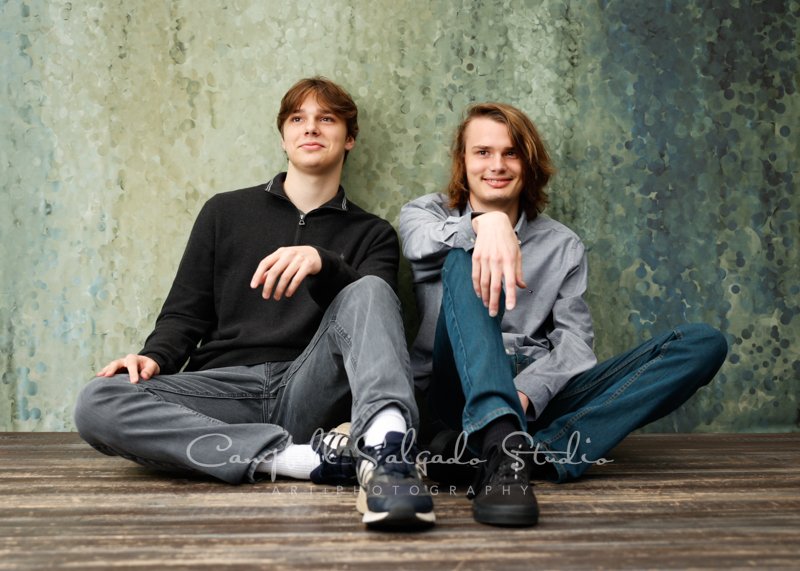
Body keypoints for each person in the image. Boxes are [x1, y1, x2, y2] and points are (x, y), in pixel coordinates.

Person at [74, 77, 435, 531]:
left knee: (370, 290)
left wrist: (324, 263)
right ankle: (303, 460)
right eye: (298, 119)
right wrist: (151, 358)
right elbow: (185, 314)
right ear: (283, 135)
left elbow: (375, 321)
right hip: (224, 391)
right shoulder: (224, 213)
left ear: (350, 139)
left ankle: (387, 456)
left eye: (327, 119)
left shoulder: (373, 232)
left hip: (312, 389)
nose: (311, 129)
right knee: (97, 400)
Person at [399, 102, 727, 528]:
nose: (496, 165)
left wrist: (527, 393)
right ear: (463, 161)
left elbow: (574, 346)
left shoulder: (563, 245)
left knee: (702, 343)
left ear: (528, 162)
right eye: (482, 152)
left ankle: (520, 453)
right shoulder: (425, 213)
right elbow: (417, 247)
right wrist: (486, 225)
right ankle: (499, 443)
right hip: (454, 386)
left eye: (511, 152)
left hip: (537, 397)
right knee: (466, 262)